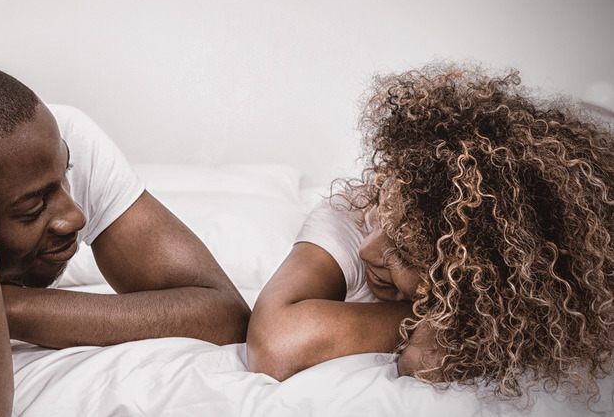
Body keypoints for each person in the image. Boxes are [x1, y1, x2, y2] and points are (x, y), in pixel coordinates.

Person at [0, 34, 250, 416]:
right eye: (32, 208)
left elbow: (224, 314)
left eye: (67, 175)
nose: (76, 218)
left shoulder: (42, 142)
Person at [247, 63, 614, 400]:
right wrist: (443, 319)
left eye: (404, 254)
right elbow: (277, 346)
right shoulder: (354, 209)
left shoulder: (528, 283)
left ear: (474, 275)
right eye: (381, 214)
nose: (367, 251)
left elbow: (421, 363)